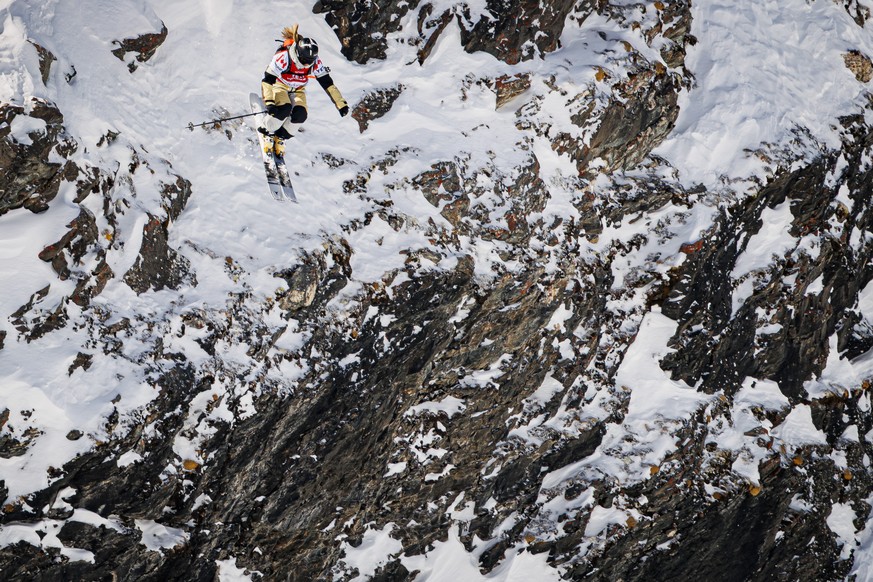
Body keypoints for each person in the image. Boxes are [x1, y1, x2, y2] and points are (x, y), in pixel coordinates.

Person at [259, 24, 349, 156]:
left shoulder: (315, 62)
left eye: (310, 60)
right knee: (284, 109)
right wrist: (269, 103)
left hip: (298, 89)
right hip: (280, 85)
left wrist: (341, 104)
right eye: (304, 60)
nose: (307, 64)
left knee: (301, 114)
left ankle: (281, 137)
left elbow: (327, 83)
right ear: (297, 53)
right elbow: (267, 80)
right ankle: (267, 130)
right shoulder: (284, 57)